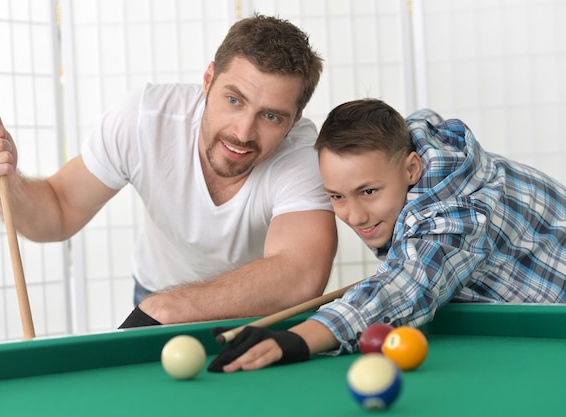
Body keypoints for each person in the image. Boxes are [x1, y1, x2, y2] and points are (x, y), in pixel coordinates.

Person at [0, 14, 338, 328]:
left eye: (271, 116)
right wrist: (6, 183)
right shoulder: (144, 121)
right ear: (208, 81)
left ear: (295, 121)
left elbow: (299, 274)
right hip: (157, 294)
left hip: (259, 311)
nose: (243, 133)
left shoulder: (302, 154)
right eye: (233, 100)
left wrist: (169, 308)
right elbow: (58, 212)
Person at [208, 98, 566, 372]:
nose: (355, 216)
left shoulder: (459, 215)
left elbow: (406, 284)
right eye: (337, 196)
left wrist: (301, 339)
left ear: (412, 168)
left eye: (368, 192)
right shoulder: (402, 152)